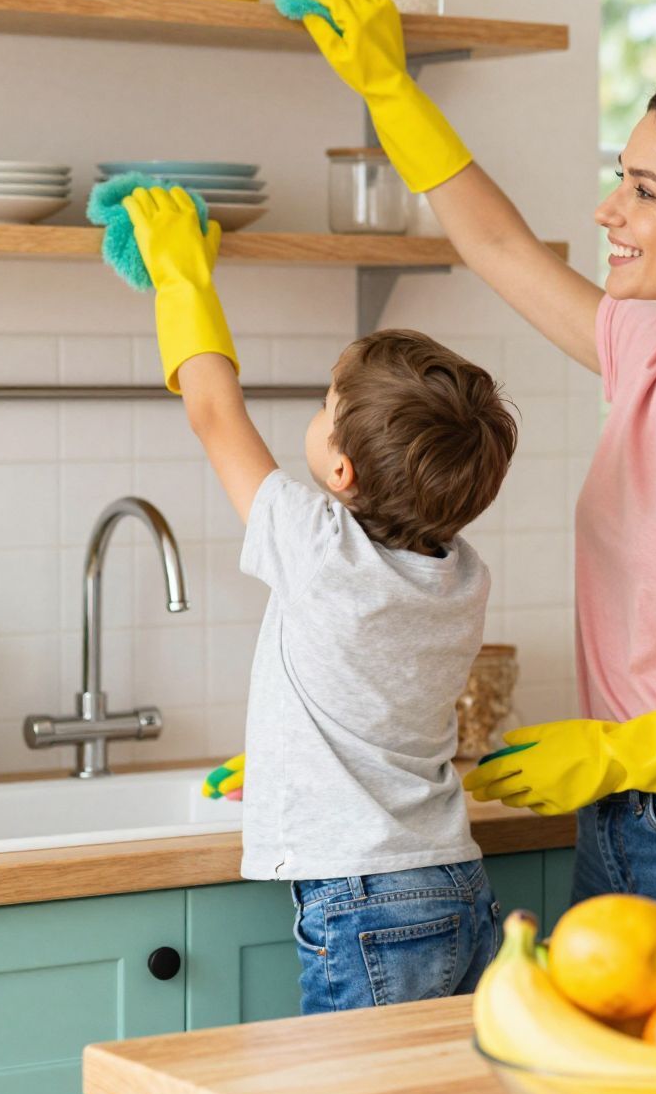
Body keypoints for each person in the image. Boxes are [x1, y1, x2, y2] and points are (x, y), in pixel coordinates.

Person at [290, 0, 656, 959]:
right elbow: (495, 242)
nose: (611, 208)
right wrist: (388, 87)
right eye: (621, 177)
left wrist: (625, 747)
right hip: (617, 828)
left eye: (645, 191)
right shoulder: (647, 354)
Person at [125, 186, 517, 1013]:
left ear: (340, 473)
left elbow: (212, 411)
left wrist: (181, 280)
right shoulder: (462, 573)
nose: (317, 412)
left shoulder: (320, 547)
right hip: (452, 881)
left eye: (324, 407)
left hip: (363, 900)